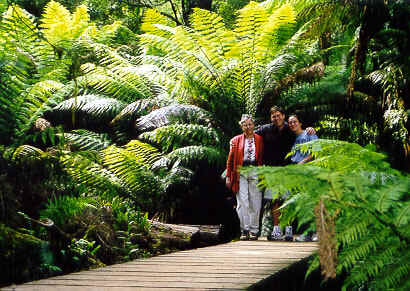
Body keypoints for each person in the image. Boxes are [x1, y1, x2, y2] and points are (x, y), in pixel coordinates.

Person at [255, 106, 315, 241]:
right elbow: (250, 134)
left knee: (288, 200)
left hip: (288, 169)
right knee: (275, 200)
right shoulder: (266, 129)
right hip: (272, 170)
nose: (276, 118)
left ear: (283, 115)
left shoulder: (290, 128)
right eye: (273, 116)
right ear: (271, 118)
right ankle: (277, 231)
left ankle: (288, 230)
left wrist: (310, 129)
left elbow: (302, 133)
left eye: (278, 115)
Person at [226, 114, 264, 241]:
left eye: (250, 124)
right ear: (241, 126)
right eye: (245, 124)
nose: (248, 127)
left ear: (253, 125)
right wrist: (228, 176)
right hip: (240, 171)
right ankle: (245, 229)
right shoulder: (236, 140)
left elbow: (262, 157)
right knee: (242, 201)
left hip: (255, 170)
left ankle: (254, 230)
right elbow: (230, 160)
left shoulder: (259, 139)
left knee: (256, 200)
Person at [288, 114, 319, 242]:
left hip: (309, 171)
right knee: (302, 204)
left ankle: (316, 232)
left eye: (295, 121)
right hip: (297, 172)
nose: (292, 124)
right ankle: (306, 233)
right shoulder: (293, 139)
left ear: (300, 123)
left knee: (311, 202)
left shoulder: (309, 134)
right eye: (290, 123)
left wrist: (304, 162)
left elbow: (316, 151)